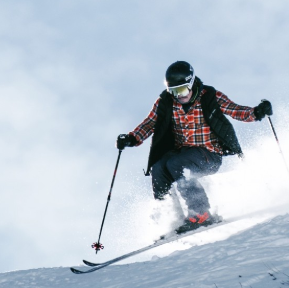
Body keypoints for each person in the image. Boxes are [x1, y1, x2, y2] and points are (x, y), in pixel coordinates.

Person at [116, 61, 272, 235]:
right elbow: (150, 123)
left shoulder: (209, 96)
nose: (178, 96)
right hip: (183, 153)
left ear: (191, 84)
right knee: (158, 168)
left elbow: (235, 110)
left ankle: (201, 213)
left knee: (177, 163)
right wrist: (131, 138)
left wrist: (257, 112)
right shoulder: (166, 102)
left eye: (182, 90)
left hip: (209, 155)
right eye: (173, 91)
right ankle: (172, 218)